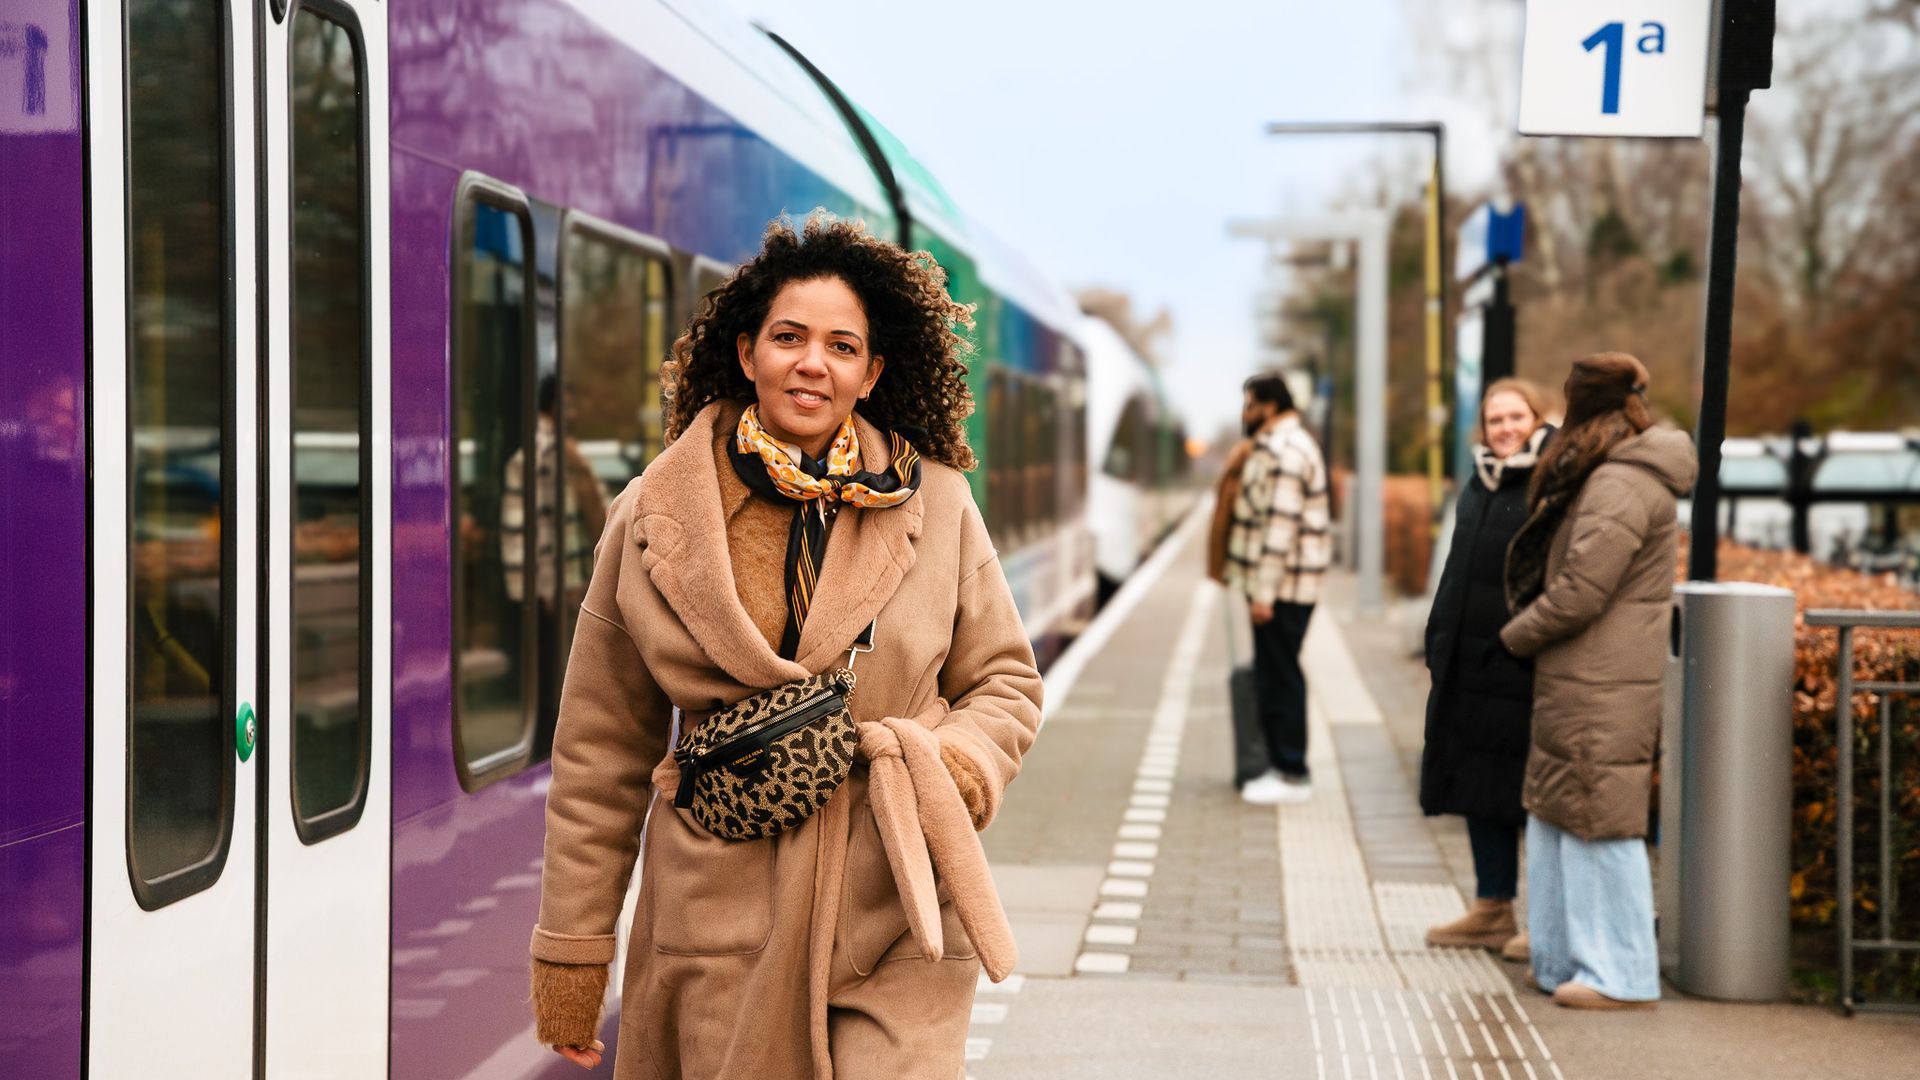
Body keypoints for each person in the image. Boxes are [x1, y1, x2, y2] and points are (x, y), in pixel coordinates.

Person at [527, 212, 1044, 1077]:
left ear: (871, 371)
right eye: (789, 337)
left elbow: (1006, 682)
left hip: (891, 900)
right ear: (745, 353)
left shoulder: (941, 504)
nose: (813, 362)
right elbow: (600, 753)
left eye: (842, 346)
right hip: (720, 914)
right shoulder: (651, 517)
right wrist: (575, 957)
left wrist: (948, 766)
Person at [1500, 353, 1696, 1011]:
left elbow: (1582, 591)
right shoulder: (1612, 473)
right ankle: (1562, 961)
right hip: (1584, 675)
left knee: (1600, 824)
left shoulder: (1618, 483)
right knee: (1562, 813)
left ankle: (1623, 974)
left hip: (1599, 679)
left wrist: (1514, 636)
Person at [1419, 378, 1551, 960]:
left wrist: (1521, 641)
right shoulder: (1481, 479)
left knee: (1530, 794)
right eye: (1495, 419)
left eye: (1515, 416)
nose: (1504, 428)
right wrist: (1439, 638)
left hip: (1519, 663)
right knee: (1477, 785)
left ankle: (1543, 920)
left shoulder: (1551, 480)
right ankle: (1491, 908)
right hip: (1469, 661)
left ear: (1536, 418)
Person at [1224, 372, 1331, 806]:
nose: (1245, 413)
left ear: (1268, 405)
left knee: (1281, 677)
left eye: (1249, 403)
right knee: (1274, 675)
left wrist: (1264, 593)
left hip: (1284, 589)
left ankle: (1292, 772)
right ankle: (1281, 767)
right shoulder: (1281, 445)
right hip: (1282, 587)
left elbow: (1279, 529)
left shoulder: (1286, 451)